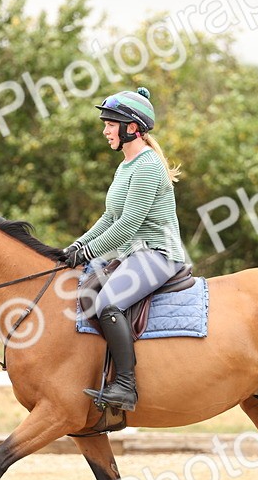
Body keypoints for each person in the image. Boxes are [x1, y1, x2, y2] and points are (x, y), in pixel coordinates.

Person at [59, 87, 188, 412]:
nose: (104, 130)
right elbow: (109, 218)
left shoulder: (146, 167)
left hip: (159, 254)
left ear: (131, 127)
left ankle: (126, 387)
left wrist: (88, 254)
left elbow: (127, 225)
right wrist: (78, 245)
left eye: (110, 124)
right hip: (134, 255)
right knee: (84, 293)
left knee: (108, 303)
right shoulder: (127, 166)